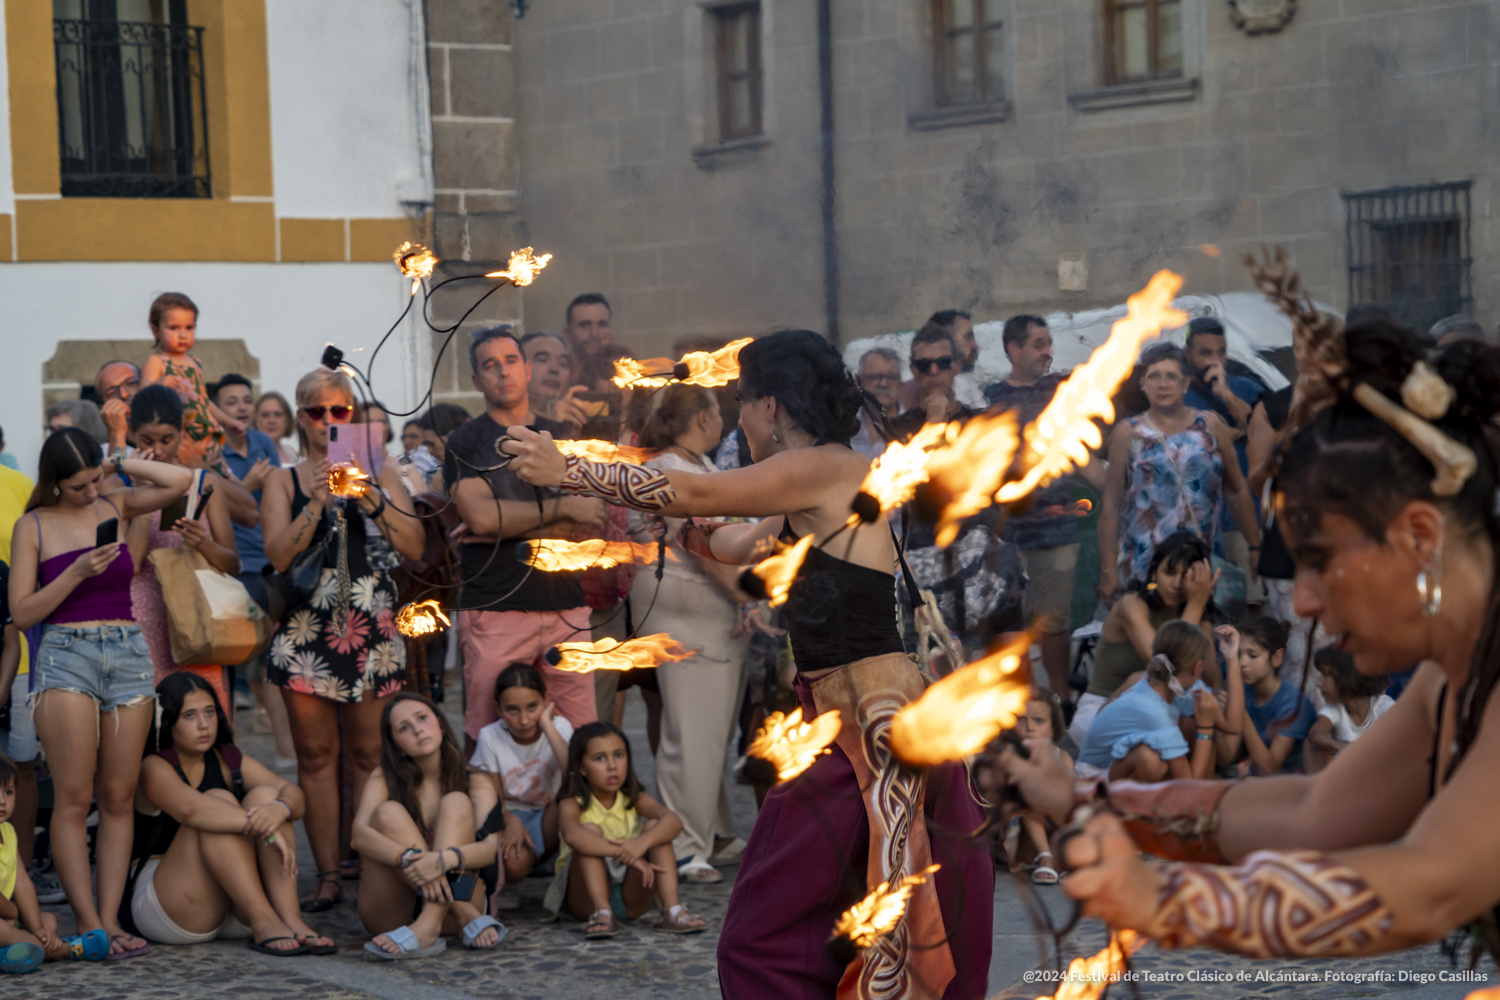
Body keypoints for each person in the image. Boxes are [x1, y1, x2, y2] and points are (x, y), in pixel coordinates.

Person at [994, 314, 1500, 967]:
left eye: (1324, 557)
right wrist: (1086, 798)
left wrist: (1162, 897)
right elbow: (1312, 812)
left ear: (1422, 537)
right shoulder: (1456, 673)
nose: (1308, 597)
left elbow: (1421, 890)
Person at [502, 329, 993, 999]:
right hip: (846, 723)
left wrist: (572, 470)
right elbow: (736, 541)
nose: (738, 419)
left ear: (771, 406)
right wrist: (687, 533)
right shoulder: (817, 482)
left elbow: (698, 494)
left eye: (742, 405)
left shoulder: (823, 466)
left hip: (865, 732)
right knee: (809, 926)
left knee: (763, 938)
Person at [9, 428, 192, 959]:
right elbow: (21, 613)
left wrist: (115, 461)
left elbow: (180, 479)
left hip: (128, 649)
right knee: (73, 797)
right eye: (78, 486)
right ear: (54, 483)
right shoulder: (33, 525)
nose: (90, 493)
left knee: (118, 796)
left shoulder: (115, 499)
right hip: (66, 652)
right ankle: (88, 921)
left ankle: (110, 919)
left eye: (94, 481)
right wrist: (74, 574)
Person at [260, 367, 425, 912]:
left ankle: (369, 859)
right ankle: (328, 873)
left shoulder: (379, 471)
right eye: (316, 412)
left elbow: (415, 545)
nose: (329, 421)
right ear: (301, 417)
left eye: (340, 411)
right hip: (308, 626)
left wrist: (370, 495)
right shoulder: (284, 480)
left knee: (367, 752)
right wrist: (315, 502)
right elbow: (278, 557)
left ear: (352, 413)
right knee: (315, 755)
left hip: (370, 622)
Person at [628, 384, 765, 883]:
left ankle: (715, 831)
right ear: (703, 418)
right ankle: (684, 844)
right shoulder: (671, 469)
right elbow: (704, 546)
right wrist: (744, 595)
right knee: (691, 728)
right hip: (690, 606)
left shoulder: (692, 466)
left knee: (713, 728)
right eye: (717, 411)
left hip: (704, 606)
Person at [443, 326, 605, 743]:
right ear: (477, 380)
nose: (503, 372)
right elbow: (480, 519)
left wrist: (505, 522)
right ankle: (490, 810)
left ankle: (569, 811)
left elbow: (586, 517)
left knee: (580, 737)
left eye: (511, 361)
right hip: (496, 606)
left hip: (565, 605)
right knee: (486, 737)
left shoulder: (565, 437)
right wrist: (560, 509)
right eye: (490, 365)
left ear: (528, 369)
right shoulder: (465, 441)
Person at [129, 673, 333, 954]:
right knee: (218, 801)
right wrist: (266, 826)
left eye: (209, 712)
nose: (204, 724)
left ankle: (289, 917)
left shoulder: (227, 758)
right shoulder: (154, 767)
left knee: (268, 797)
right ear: (168, 722)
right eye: (189, 716)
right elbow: (192, 810)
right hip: (169, 908)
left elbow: (293, 793)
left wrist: (279, 809)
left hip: (233, 902)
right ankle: (264, 919)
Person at [985, 315, 1103, 701]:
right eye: (1038, 344)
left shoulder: (1062, 393)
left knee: (1055, 623)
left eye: (1048, 343)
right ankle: (1026, 705)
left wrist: (1114, 480)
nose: (1047, 352)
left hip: (1057, 530)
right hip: (1007, 533)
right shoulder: (991, 398)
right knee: (1011, 625)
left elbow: (1084, 454)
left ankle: (1059, 699)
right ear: (1013, 349)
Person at [1099, 343, 1259, 599]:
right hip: (1147, 563)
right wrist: (1108, 571)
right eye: (1154, 376)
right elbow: (1110, 505)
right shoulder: (1128, 434)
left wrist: (1254, 546)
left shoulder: (1210, 426)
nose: (1163, 384)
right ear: (1143, 383)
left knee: (1205, 634)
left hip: (1204, 560)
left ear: (1185, 384)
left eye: (1171, 376)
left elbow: (1237, 489)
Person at [352, 692, 502, 958]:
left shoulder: (475, 781)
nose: (418, 729)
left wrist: (444, 860)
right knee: (387, 812)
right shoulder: (383, 778)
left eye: (422, 718)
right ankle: (462, 915)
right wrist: (409, 859)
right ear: (396, 744)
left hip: (456, 909)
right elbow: (359, 836)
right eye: (404, 728)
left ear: (440, 723)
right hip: (394, 909)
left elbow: (490, 850)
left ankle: (429, 923)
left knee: (456, 801)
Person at [125, 386, 241, 708]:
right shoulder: (120, 487)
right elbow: (130, 565)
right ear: (132, 434)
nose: (158, 450)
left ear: (181, 433)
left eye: (167, 439)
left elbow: (233, 563)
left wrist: (202, 543)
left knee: (202, 721)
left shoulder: (205, 483)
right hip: (143, 620)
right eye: (147, 441)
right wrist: (144, 494)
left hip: (196, 621)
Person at [544, 722, 705, 937]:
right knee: (588, 831)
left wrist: (641, 843)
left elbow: (673, 821)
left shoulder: (632, 797)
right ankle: (602, 912)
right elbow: (573, 836)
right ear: (581, 767)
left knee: (657, 826)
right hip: (585, 901)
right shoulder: (572, 803)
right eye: (599, 758)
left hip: (633, 896)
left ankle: (672, 910)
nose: (612, 765)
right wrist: (629, 856)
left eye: (618, 755)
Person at [212, 374, 295, 769]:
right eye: (232, 402)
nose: (242, 407)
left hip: (267, 563)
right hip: (231, 566)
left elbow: (277, 493)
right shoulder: (213, 449)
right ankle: (229, 752)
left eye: (247, 400)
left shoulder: (263, 442)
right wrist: (246, 483)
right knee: (227, 668)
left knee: (274, 660)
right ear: (217, 410)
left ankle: (284, 750)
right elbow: (219, 507)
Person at [1070, 532, 1218, 744]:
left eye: (1186, 576)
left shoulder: (1197, 617)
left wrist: (1200, 612)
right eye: (1169, 572)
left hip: (1156, 712)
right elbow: (1164, 664)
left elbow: (1211, 680)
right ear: (1154, 571)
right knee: (1145, 678)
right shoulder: (1132, 605)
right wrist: (1195, 606)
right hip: (1101, 711)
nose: (1176, 583)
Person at [1182, 316, 1265, 608]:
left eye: (1220, 352)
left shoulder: (1245, 389)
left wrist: (1226, 396)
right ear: (1188, 353)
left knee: (1255, 606)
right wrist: (1225, 434)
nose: (1214, 360)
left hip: (1247, 520)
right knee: (1213, 610)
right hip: (1202, 525)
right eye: (1205, 353)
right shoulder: (1178, 396)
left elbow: (1262, 429)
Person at [1075, 620, 1220, 782]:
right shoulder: (1155, 712)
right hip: (1094, 776)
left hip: (1106, 763)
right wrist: (1205, 727)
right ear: (1196, 668)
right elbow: (1188, 783)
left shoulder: (1148, 682)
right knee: (1151, 761)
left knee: (1166, 747)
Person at [469, 663, 572, 891]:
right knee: (515, 866)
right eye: (512, 710)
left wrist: (546, 724)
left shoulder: (559, 727)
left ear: (546, 701)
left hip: (549, 813)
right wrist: (509, 820)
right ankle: (517, 870)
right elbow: (491, 797)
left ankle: (555, 861)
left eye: (533, 707)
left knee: (572, 800)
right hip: (507, 813)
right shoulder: (490, 736)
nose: (524, 720)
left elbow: (573, 775)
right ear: (498, 708)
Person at [140, 292, 242, 471]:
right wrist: (159, 383)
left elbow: (203, 400)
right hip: (180, 437)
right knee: (191, 480)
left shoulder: (195, 363)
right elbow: (142, 395)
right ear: (156, 330)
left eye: (189, 327)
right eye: (173, 328)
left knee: (218, 477)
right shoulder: (157, 361)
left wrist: (227, 421)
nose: (182, 334)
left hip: (205, 435)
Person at [1216, 616, 1315, 775]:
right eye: (1239, 655)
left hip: (1292, 783)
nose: (1243, 663)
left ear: (1276, 658)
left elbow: (1270, 768)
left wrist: (1242, 715)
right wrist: (1214, 719)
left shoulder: (1293, 705)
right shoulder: (1245, 692)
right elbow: (1226, 757)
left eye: (1252, 655)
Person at [0, 753, 68, 972]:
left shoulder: (8, 832)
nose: (2, 800)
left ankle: (18, 949)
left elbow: (21, 882)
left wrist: (37, 927)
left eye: (8, 792)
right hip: (6, 916)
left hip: (8, 916)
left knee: (48, 921)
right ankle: (60, 949)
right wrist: (13, 915)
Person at [1012, 690, 1071, 885]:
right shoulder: (1009, 756)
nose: (1029, 727)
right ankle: (1046, 857)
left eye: (1038, 721)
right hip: (1023, 836)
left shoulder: (1061, 757)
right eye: (1021, 720)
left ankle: (1064, 858)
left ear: (1054, 728)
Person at [1305, 645, 1392, 773]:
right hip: (1349, 776)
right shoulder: (1335, 709)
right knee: (1309, 745)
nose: (1319, 683)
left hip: (1379, 774)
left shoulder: (1383, 706)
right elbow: (1316, 734)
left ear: (1350, 677)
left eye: (1327, 675)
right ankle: (1315, 790)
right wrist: (1342, 747)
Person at [889, 321, 977, 441]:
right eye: (924, 365)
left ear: (957, 365)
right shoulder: (897, 429)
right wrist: (933, 422)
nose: (934, 371)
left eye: (943, 362)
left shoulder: (979, 422)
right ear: (913, 370)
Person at [521, 331, 589, 430]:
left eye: (563, 363)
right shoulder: (501, 425)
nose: (554, 369)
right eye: (542, 359)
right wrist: (551, 425)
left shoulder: (581, 425)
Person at [850, 347, 899, 460]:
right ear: (860, 382)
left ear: (899, 381)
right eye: (875, 377)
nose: (883, 383)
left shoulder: (914, 423)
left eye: (891, 377)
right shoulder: (847, 427)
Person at [97, 360, 143, 457]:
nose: (124, 394)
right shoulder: (104, 451)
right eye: (112, 392)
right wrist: (117, 435)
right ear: (103, 408)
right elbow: (118, 468)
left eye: (131, 383)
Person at [562, 292, 613, 362]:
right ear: (568, 333)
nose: (595, 333)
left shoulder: (627, 370)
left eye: (602, 324)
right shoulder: (556, 372)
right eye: (585, 325)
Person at [253, 392, 300, 466]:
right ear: (255, 419)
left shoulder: (292, 452)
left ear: (287, 419)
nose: (272, 421)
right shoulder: (249, 453)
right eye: (265, 415)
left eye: (277, 414)